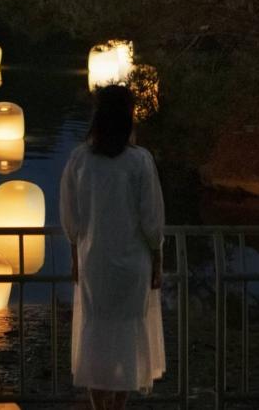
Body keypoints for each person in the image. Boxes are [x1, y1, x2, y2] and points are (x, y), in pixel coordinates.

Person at [59, 84, 166, 410]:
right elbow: (151, 219)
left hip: (95, 261)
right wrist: (158, 258)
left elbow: (71, 217)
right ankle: (118, 404)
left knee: (96, 332)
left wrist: (75, 258)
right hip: (133, 263)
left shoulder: (80, 160)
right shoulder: (140, 161)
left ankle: (96, 404)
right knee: (128, 334)